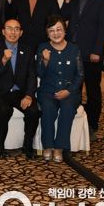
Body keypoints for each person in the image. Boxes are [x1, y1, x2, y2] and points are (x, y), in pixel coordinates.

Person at [60, 0, 104, 140]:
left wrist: (97, 51)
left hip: (91, 54)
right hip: (72, 52)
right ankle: (75, 122)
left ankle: (92, 124)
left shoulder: (102, 1)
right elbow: (62, 16)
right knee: (73, 89)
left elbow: (103, 28)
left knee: (92, 90)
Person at [0, 19, 41, 159]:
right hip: (0, 92)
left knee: (34, 111)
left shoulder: (27, 50)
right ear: (3, 31)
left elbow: (32, 75)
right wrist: (4, 60)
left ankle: (27, 146)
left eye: (17, 29)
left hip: (19, 92)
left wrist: (28, 95)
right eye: (9, 28)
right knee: (5, 110)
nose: (13, 32)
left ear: (21, 32)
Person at [37, 15, 84, 162]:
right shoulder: (43, 48)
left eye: (59, 29)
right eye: (51, 30)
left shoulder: (74, 49)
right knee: (48, 108)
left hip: (70, 92)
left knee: (67, 108)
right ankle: (48, 146)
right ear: (47, 33)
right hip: (47, 91)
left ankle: (59, 147)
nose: (56, 33)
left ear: (65, 31)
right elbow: (39, 73)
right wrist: (45, 61)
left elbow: (80, 74)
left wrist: (69, 91)